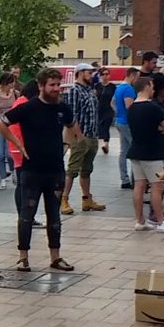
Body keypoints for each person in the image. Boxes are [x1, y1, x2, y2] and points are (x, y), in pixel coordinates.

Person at [3, 71, 76, 272]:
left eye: (58, 85)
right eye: (52, 85)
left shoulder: (63, 108)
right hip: (31, 170)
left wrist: (66, 143)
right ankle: (23, 256)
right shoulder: (28, 108)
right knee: (27, 214)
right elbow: (1, 122)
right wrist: (17, 143)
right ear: (41, 86)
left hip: (55, 170)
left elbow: (72, 126)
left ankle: (55, 256)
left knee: (54, 215)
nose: (56, 89)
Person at [124, 75, 164, 234]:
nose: (154, 89)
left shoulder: (132, 108)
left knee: (139, 185)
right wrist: (161, 129)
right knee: (157, 186)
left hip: (135, 150)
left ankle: (139, 220)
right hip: (152, 152)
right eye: (152, 86)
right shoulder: (153, 107)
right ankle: (161, 221)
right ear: (147, 86)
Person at [62, 64, 108, 215]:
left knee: (87, 169)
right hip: (80, 135)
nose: (92, 75)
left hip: (92, 134)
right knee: (73, 169)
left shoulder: (89, 90)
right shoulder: (74, 91)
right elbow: (71, 115)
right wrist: (77, 135)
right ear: (80, 73)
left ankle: (86, 198)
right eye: (89, 72)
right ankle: (64, 199)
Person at [110, 68, 138, 189]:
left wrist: (118, 113)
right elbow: (129, 106)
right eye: (137, 77)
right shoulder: (128, 89)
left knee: (124, 151)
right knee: (135, 150)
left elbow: (112, 103)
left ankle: (124, 179)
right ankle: (135, 179)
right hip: (128, 123)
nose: (137, 80)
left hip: (119, 121)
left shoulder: (119, 88)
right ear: (132, 76)